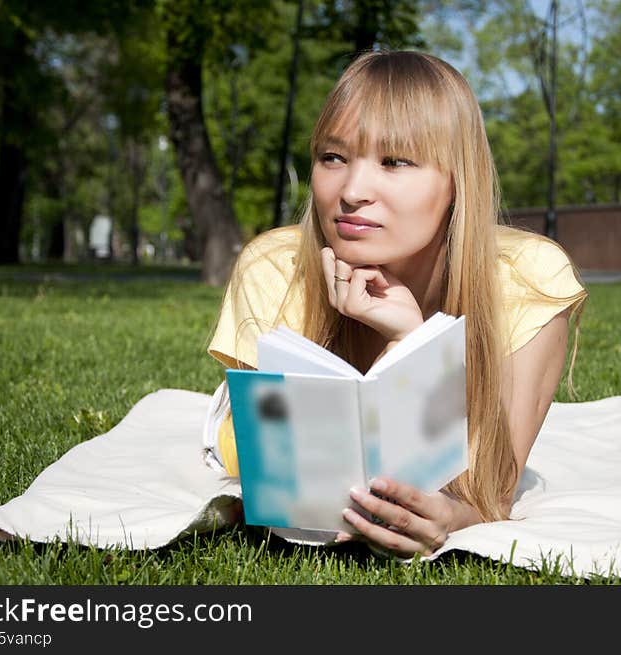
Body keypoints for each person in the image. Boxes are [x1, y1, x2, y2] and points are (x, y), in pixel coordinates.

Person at [206, 50, 587, 558]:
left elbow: (490, 490)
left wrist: (414, 345)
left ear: (457, 181)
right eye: (333, 157)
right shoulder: (274, 268)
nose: (352, 191)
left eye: (395, 161)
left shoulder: (527, 279)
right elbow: (286, 481)